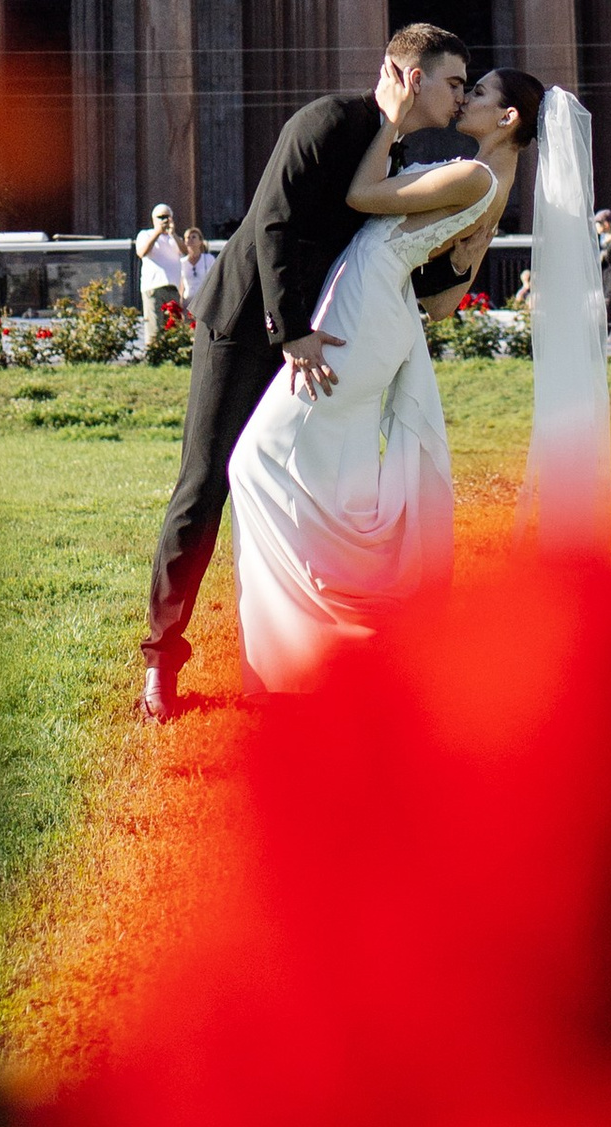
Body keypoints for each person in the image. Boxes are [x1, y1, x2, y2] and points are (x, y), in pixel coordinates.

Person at [139, 23, 469, 722]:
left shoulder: (396, 156)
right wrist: (289, 332)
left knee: (304, 492)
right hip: (247, 327)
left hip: (316, 344)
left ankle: (304, 657)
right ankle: (160, 663)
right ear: (409, 74)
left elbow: (399, 255)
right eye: (453, 81)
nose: (459, 96)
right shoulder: (325, 120)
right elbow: (276, 225)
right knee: (205, 484)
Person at [228, 68, 545, 690]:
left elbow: (362, 195)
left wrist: (395, 120)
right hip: (381, 308)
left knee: (255, 462)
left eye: (477, 92)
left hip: (364, 308)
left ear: (508, 119)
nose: (463, 99)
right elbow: (444, 304)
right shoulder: (492, 183)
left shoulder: (474, 174)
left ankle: (332, 638)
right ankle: (317, 637)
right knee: (318, 471)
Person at [134, 203, 190, 351]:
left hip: (172, 288)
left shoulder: (174, 238)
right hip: (153, 287)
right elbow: (141, 252)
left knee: (173, 324)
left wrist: (173, 234)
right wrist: (157, 233)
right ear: (154, 219)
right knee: (155, 324)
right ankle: (154, 353)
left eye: (167, 217)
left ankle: (173, 352)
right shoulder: (145, 234)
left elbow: (185, 252)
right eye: (161, 217)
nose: (164, 220)